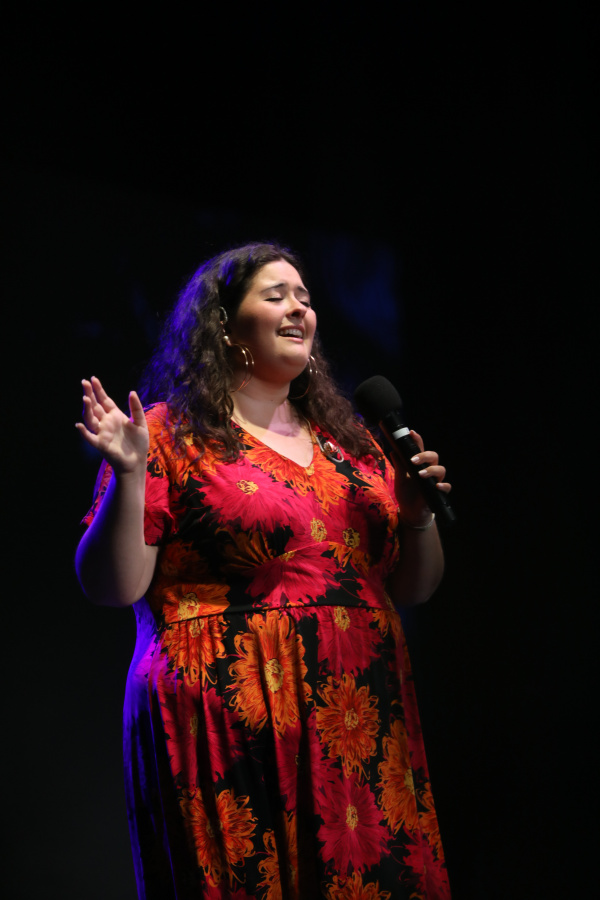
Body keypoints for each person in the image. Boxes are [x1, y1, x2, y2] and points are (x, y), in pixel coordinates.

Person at [76, 242, 452, 899]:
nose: (298, 308)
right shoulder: (163, 435)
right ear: (223, 325)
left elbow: (410, 588)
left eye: (305, 297)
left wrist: (417, 516)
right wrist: (129, 476)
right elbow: (114, 586)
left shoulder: (352, 444)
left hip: (357, 718)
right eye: (275, 295)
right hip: (226, 723)